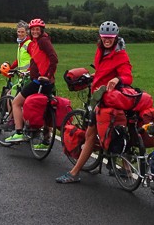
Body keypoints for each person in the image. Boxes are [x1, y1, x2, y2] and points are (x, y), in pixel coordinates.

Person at [55, 20, 133, 183]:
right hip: (98, 96)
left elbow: (127, 76)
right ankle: (126, 171)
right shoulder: (100, 50)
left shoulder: (120, 55)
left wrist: (118, 79)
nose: (107, 40)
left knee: (91, 134)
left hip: (108, 100)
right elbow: (102, 70)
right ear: (100, 37)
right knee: (117, 131)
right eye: (104, 37)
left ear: (115, 37)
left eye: (110, 37)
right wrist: (93, 76)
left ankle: (74, 173)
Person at [4, 17, 59, 146]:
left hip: (40, 81)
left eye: (37, 29)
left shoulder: (43, 41)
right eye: (33, 29)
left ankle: (18, 132)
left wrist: (47, 75)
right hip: (44, 80)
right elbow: (36, 61)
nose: (34, 31)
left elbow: (54, 58)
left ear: (41, 30)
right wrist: (29, 71)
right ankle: (45, 140)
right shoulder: (35, 42)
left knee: (16, 102)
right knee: (44, 108)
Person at [0, 20, 33, 132]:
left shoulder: (29, 44)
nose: (19, 34)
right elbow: (18, 60)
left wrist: (28, 71)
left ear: (27, 33)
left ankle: (11, 120)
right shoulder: (21, 44)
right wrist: (10, 68)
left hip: (26, 77)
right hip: (21, 77)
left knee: (10, 95)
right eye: (18, 32)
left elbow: (34, 61)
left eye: (22, 32)